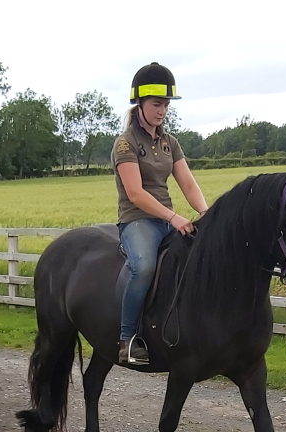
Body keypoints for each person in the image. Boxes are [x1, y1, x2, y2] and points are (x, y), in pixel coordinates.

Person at [111, 62, 208, 365]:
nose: (162, 110)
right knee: (145, 267)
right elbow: (136, 194)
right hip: (138, 220)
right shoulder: (126, 143)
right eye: (156, 104)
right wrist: (173, 218)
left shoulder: (170, 142)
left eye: (166, 104)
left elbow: (188, 183)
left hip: (166, 218)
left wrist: (206, 213)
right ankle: (127, 340)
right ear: (139, 103)